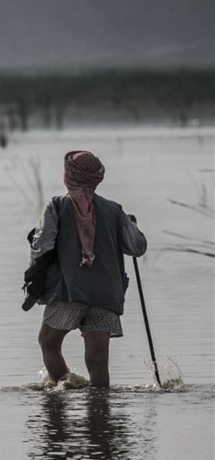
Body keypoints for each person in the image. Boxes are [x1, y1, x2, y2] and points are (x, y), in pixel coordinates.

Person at [30, 150, 147, 388]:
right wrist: (131, 226)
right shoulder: (114, 210)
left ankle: (67, 388)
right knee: (98, 360)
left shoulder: (57, 206)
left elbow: (42, 246)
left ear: (69, 175)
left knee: (48, 342)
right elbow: (137, 248)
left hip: (69, 293)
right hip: (107, 294)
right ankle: (99, 409)